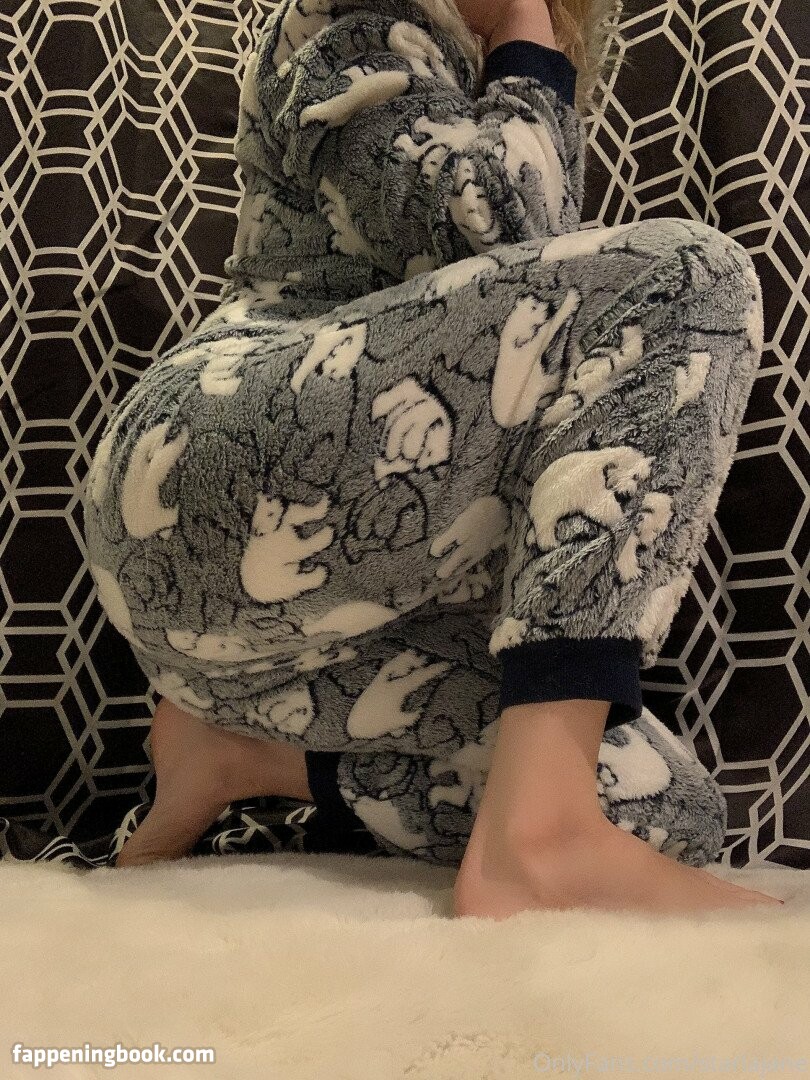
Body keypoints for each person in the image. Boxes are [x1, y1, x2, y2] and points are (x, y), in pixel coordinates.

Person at [82, 0, 783, 915]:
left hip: (335, 608)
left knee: (668, 807)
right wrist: (527, 20)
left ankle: (248, 756)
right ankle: (539, 838)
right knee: (689, 277)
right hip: (204, 476)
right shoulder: (353, 14)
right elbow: (497, 228)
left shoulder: (471, 71)